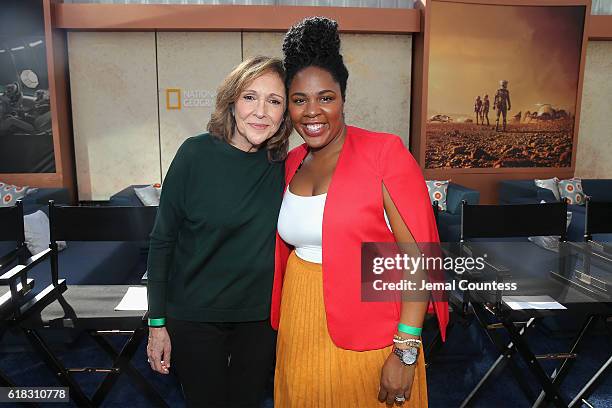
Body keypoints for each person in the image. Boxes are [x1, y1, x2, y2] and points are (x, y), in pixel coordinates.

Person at [272, 17, 448, 407]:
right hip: (299, 319)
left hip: (371, 330)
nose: (312, 111)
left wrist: (405, 348)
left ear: (343, 98)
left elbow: (418, 257)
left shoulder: (383, 153)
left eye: (326, 97)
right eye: (299, 100)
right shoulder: (292, 162)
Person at [146, 55, 293, 408]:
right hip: (194, 315)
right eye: (249, 97)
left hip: (259, 319)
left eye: (274, 101)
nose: (260, 111)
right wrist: (156, 323)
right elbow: (162, 241)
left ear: (285, 114)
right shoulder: (194, 155)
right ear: (231, 101)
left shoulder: (287, 165)